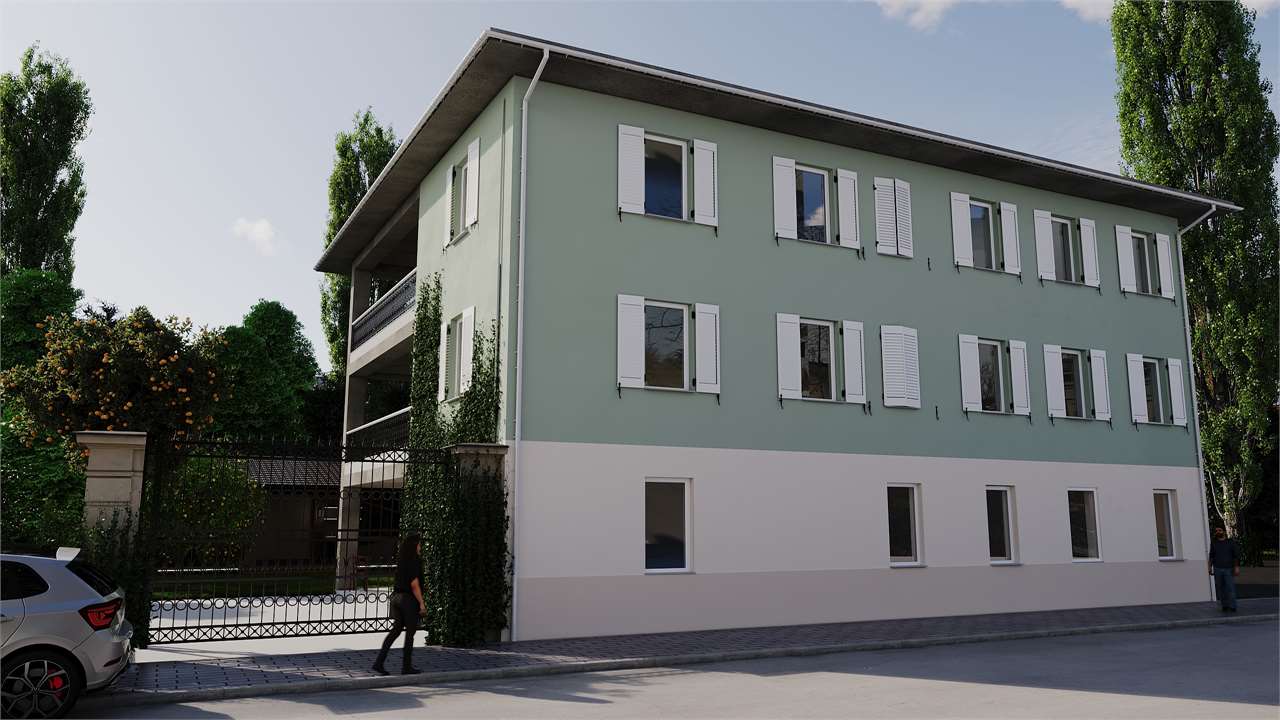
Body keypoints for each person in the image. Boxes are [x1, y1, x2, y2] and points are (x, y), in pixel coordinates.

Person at [373, 533, 426, 675]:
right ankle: (406, 667)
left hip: (396, 598)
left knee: (395, 631)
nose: (420, 547)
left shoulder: (402, 560)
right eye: (419, 544)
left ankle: (379, 662)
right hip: (408, 600)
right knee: (410, 633)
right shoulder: (414, 561)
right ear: (414, 545)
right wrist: (421, 603)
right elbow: (414, 584)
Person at [1207, 526, 1240, 613]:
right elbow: (1211, 555)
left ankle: (1233, 606)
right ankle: (1224, 605)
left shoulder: (1230, 542)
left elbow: (1236, 555)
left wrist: (1236, 567)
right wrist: (1209, 567)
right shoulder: (1214, 543)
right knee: (1221, 588)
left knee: (1230, 588)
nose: (1218, 532)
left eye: (1220, 530)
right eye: (1216, 531)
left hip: (1229, 568)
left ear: (1224, 531)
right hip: (1217, 568)